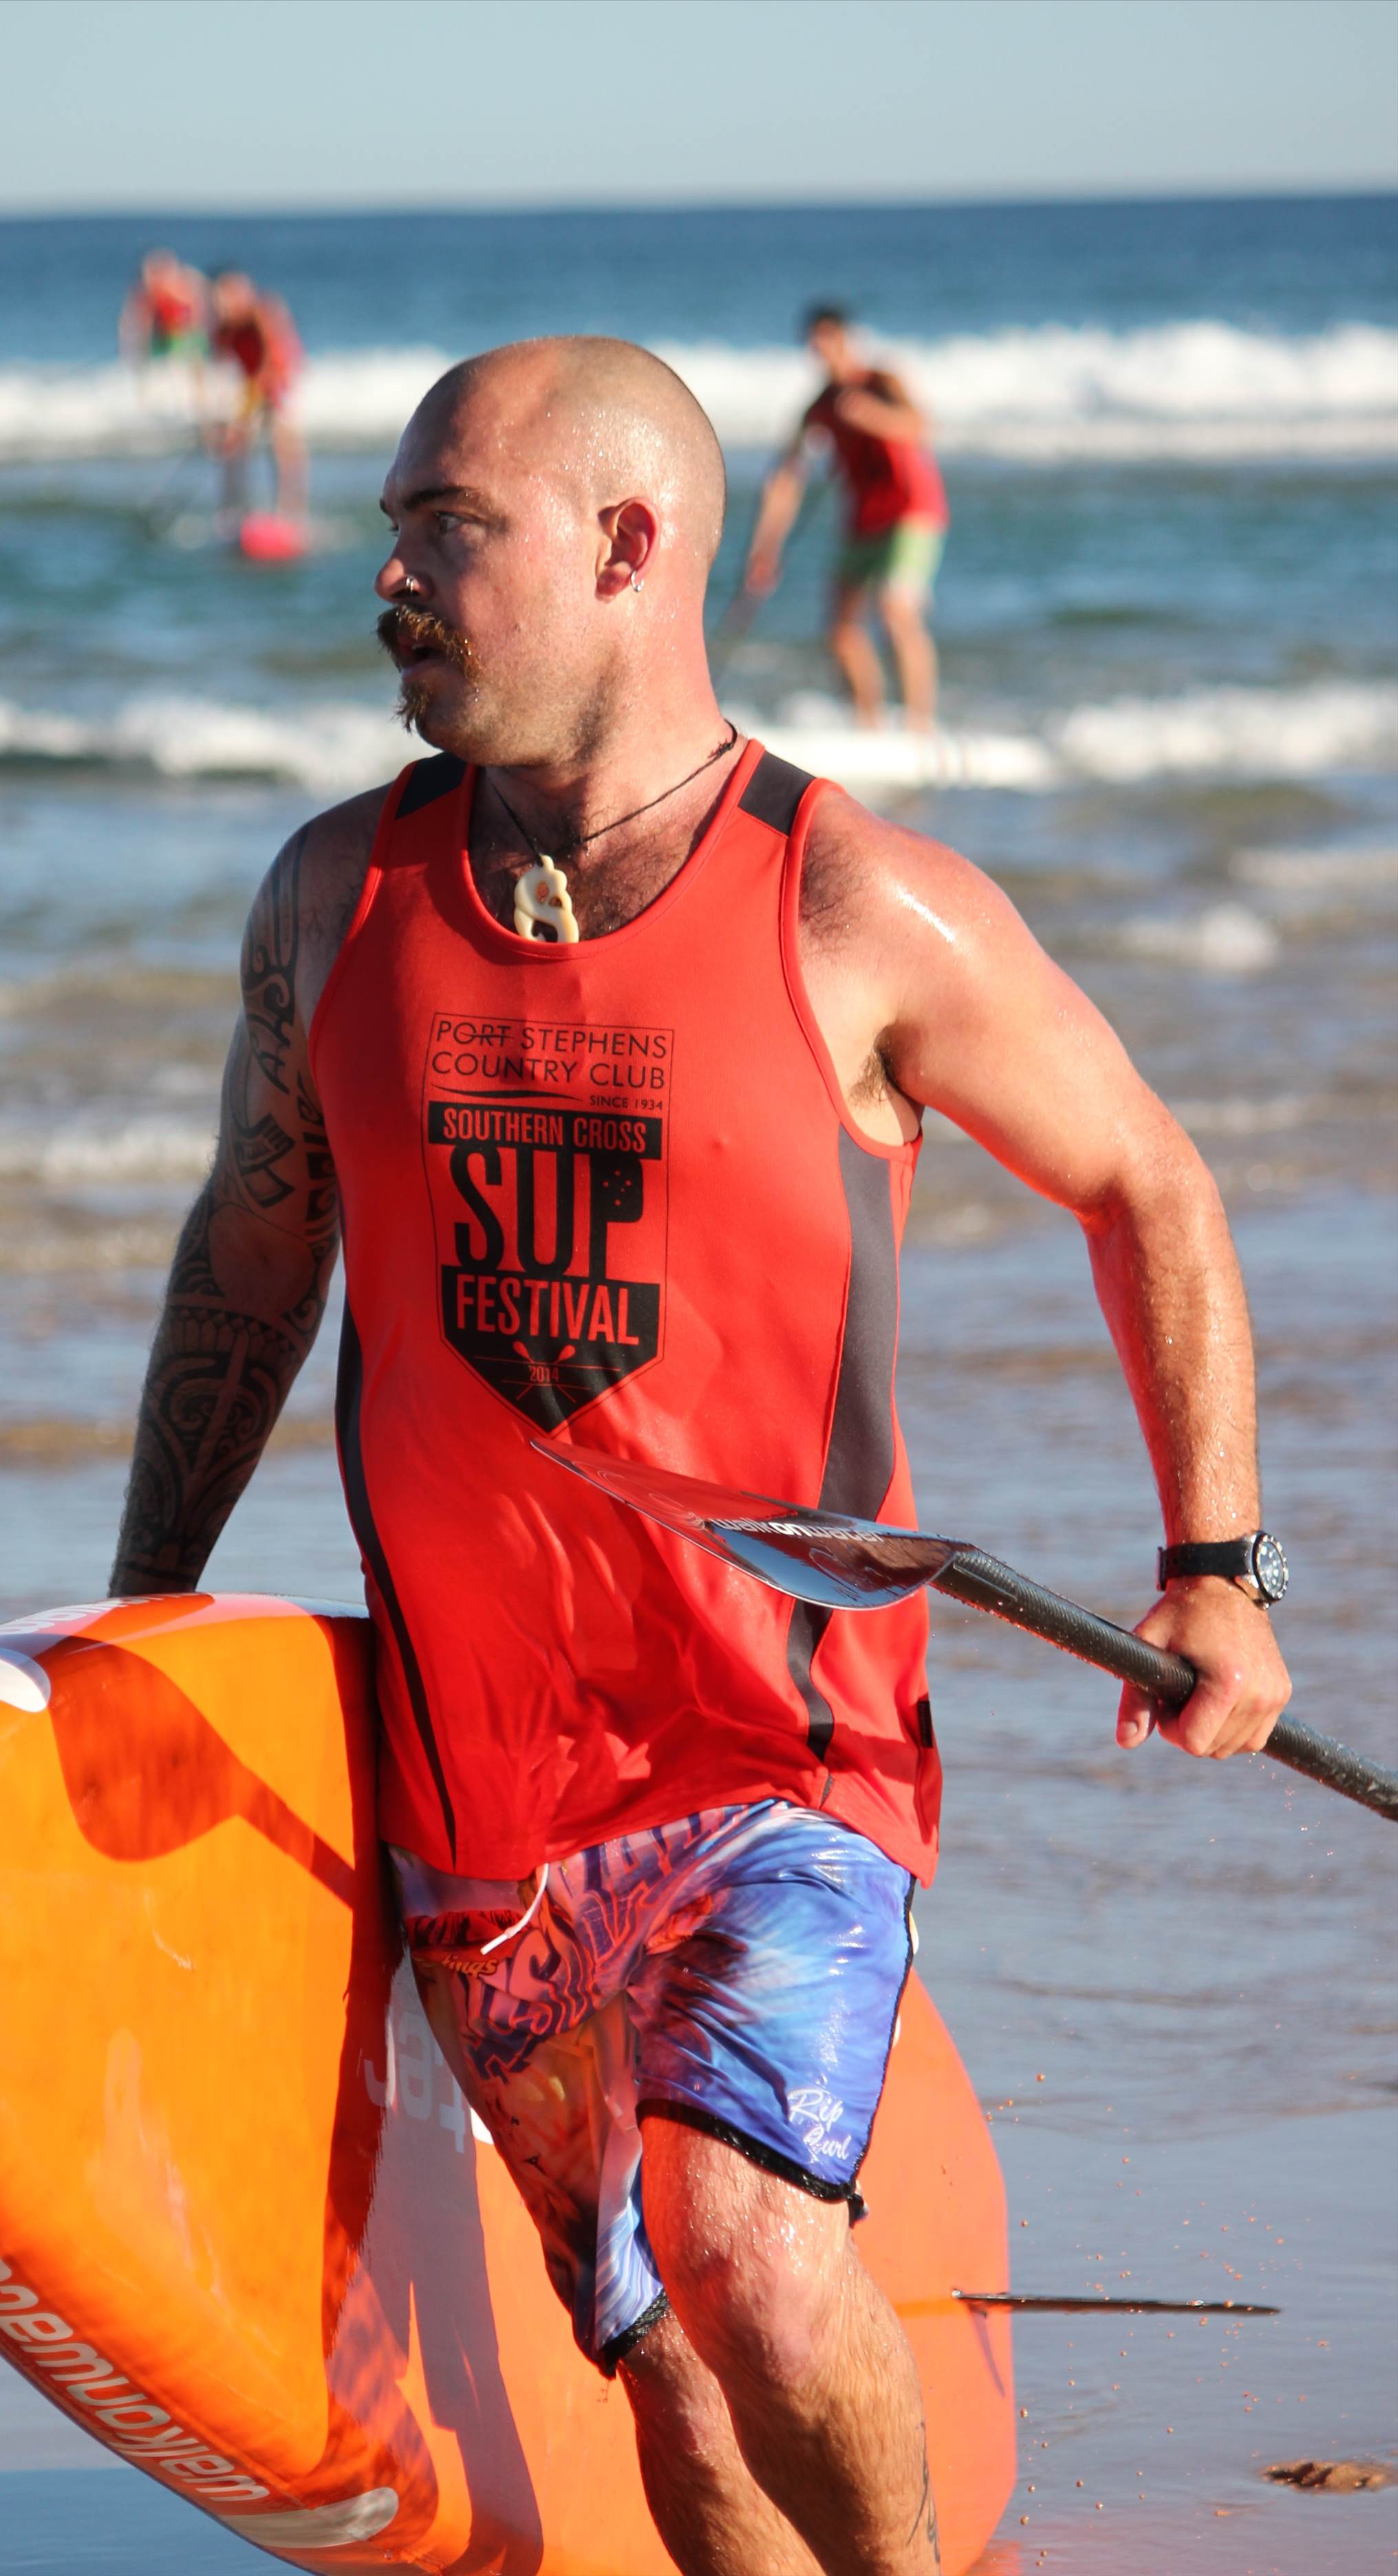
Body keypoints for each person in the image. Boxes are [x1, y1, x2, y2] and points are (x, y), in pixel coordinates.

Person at [109, 336, 1291, 2576]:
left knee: (746, 2256)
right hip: (479, 1794)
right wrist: (144, 1601)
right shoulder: (335, 900)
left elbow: (1146, 1179)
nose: (388, 575)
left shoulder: (847, 906)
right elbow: (252, 1257)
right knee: (653, 2346)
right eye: (392, 524)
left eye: (443, 527)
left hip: (781, 1750)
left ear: (623, 545)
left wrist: (1221, 1567)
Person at [740, 306, 948, 731]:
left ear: (846, 338)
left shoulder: (881, 381)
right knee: (841, 630)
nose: (822, 349)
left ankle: (919, 726)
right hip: (863, 520)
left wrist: (872, 415)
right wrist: (765, 547)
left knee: (895, 610)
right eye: (815, 341)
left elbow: (921, 427)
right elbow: (786, 478)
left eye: (829, 339)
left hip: (912, 512)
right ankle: (868, 726)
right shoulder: (820, 407)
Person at [206, 268, 306, 524]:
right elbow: (217, 370)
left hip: (280, 381)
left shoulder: (262, 311)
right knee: (232, 445)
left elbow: (273, 358)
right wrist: (219, 415)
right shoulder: (223, 327)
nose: (222, 306)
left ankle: (290, 512)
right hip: (252, 386)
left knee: (282, 442)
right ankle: (233, 511)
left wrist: (253, 400)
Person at [119, 248, 209, 379]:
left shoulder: (187, 284)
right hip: (161, 339)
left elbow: (201, 316)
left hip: (186, 337)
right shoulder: (144, 295)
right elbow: (133, 326)